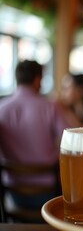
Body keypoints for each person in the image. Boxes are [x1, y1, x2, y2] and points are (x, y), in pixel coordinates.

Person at [0, 60, 70, 209]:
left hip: (13, 191)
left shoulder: (1, 108)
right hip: (49, 191)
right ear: (37, 79)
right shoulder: (51, 106)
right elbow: (70, 139)